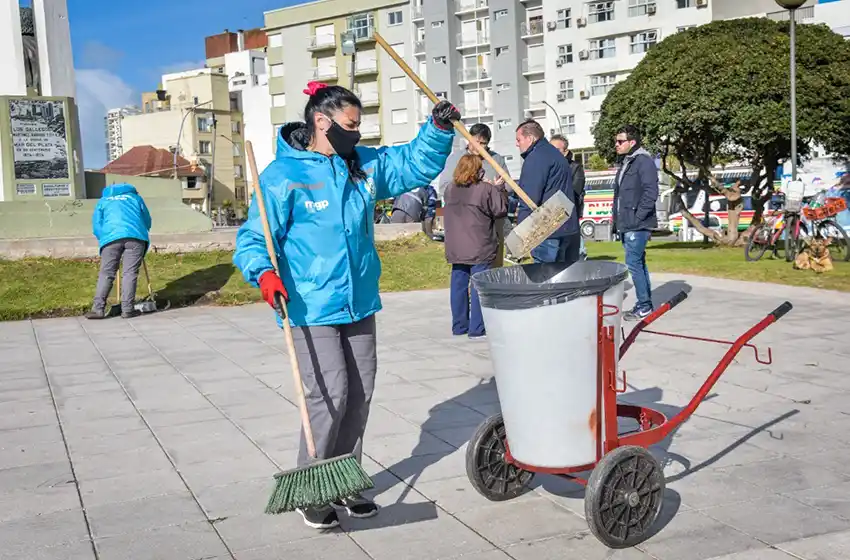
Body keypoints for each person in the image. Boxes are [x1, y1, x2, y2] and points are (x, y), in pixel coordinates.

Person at [232, 82, 459, 529]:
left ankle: (345, 478)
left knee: (359, 392)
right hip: (309, 305)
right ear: (322, 121)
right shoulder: (284, 177)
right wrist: (264, 273)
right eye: (351, 126)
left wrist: (437, 127)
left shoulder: (361, 165)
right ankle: (313, 483)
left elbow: (412, 162)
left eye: (358, 126)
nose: (357, 134)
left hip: (358, 302)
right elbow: (254, 238)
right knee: (329, 393)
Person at [443, 154, 508, 339]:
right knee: (479, 286)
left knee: (458, 286)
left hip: (456, 246)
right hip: (479, 244)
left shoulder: (450, 189)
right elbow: (500, 210)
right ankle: (477, 328)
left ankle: (459, 326)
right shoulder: (485, 189)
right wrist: (499, 188)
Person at [514, 120, 580, 264]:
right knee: (560, 277)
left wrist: (520, 236)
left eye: (519, 140)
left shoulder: (536, 158)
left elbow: (528, 197)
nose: (517, 144)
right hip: (564, 225)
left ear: (530, 138)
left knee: (544, 279)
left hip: (547, 228)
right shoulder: (555, 155)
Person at [612, 125, 659, 321]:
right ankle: (645, 303)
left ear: (632, 142)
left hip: (636, 224)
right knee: (638, 263)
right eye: (616, 141)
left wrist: (637, 218)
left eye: (620, 141)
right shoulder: (627, 162)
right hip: (627, 223)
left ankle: (644, 305)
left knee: (633, 263)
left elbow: (651, 192)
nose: (616, 144)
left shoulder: (643, 161)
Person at [86, 183, 152, 320]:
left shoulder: (103, 200)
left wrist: (103, 238)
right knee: (130, 273)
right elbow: (147, 219)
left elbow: (97, 225)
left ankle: (98, 309)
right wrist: (143, 231)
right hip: (135, 237)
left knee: (106, 273)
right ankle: (127, 309)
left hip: (110, 239)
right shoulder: (135, 198)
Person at [439, 123, 507, 197]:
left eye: (482, 143)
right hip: (463, 205)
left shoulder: (496, 159)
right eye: (475, 142)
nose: (477, 146)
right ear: (469, 139)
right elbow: (444, 187)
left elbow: (509, 187)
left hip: (490, 204)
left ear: (487, 143)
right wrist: (477, 188)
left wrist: (493, 188)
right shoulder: (455, 158)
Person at [550, 134, 588, 260]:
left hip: (569, 218)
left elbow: (574, 191)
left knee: (572, 257)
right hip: (550, 221)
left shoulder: (575, 168)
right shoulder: (547, 168)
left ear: (565, 152)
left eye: (556, 150)